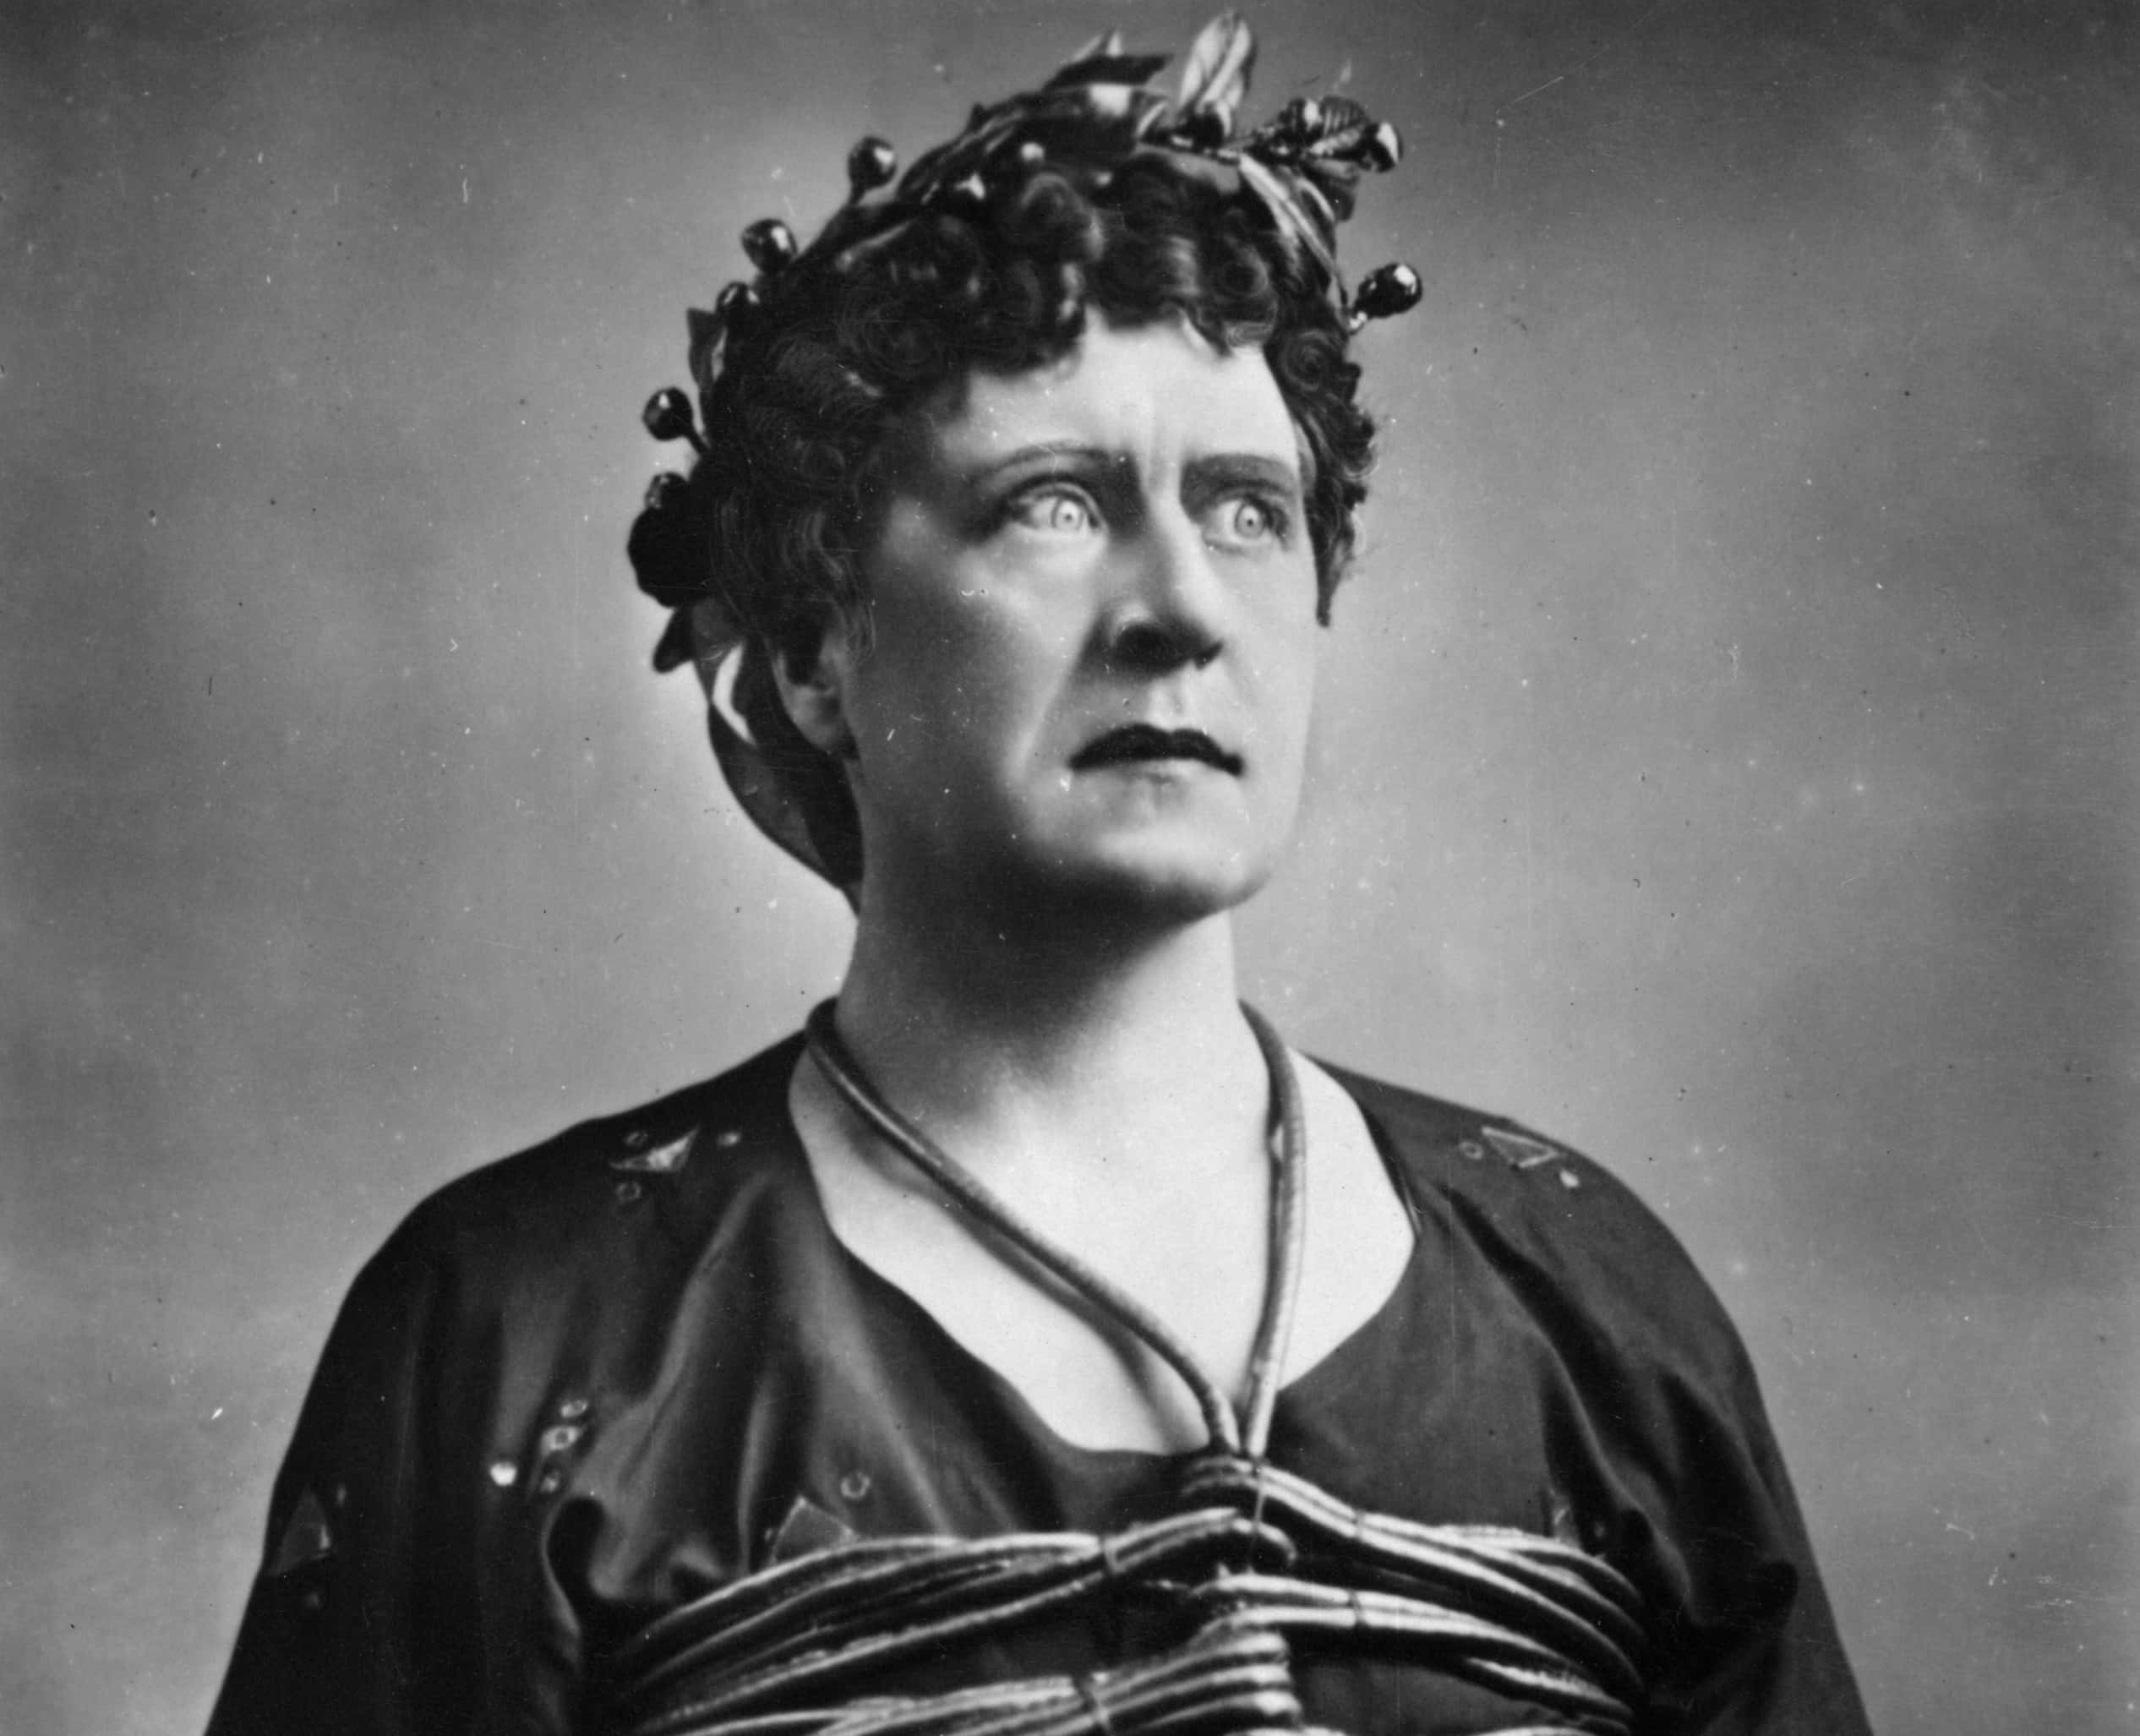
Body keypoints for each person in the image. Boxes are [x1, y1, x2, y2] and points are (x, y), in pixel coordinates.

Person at [206, 19, 1869, 1735]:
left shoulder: (1583, 1305)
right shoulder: (529, 1325)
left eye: (1247, 510)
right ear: (812, 650)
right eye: (1056, 504)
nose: (1183, 607)